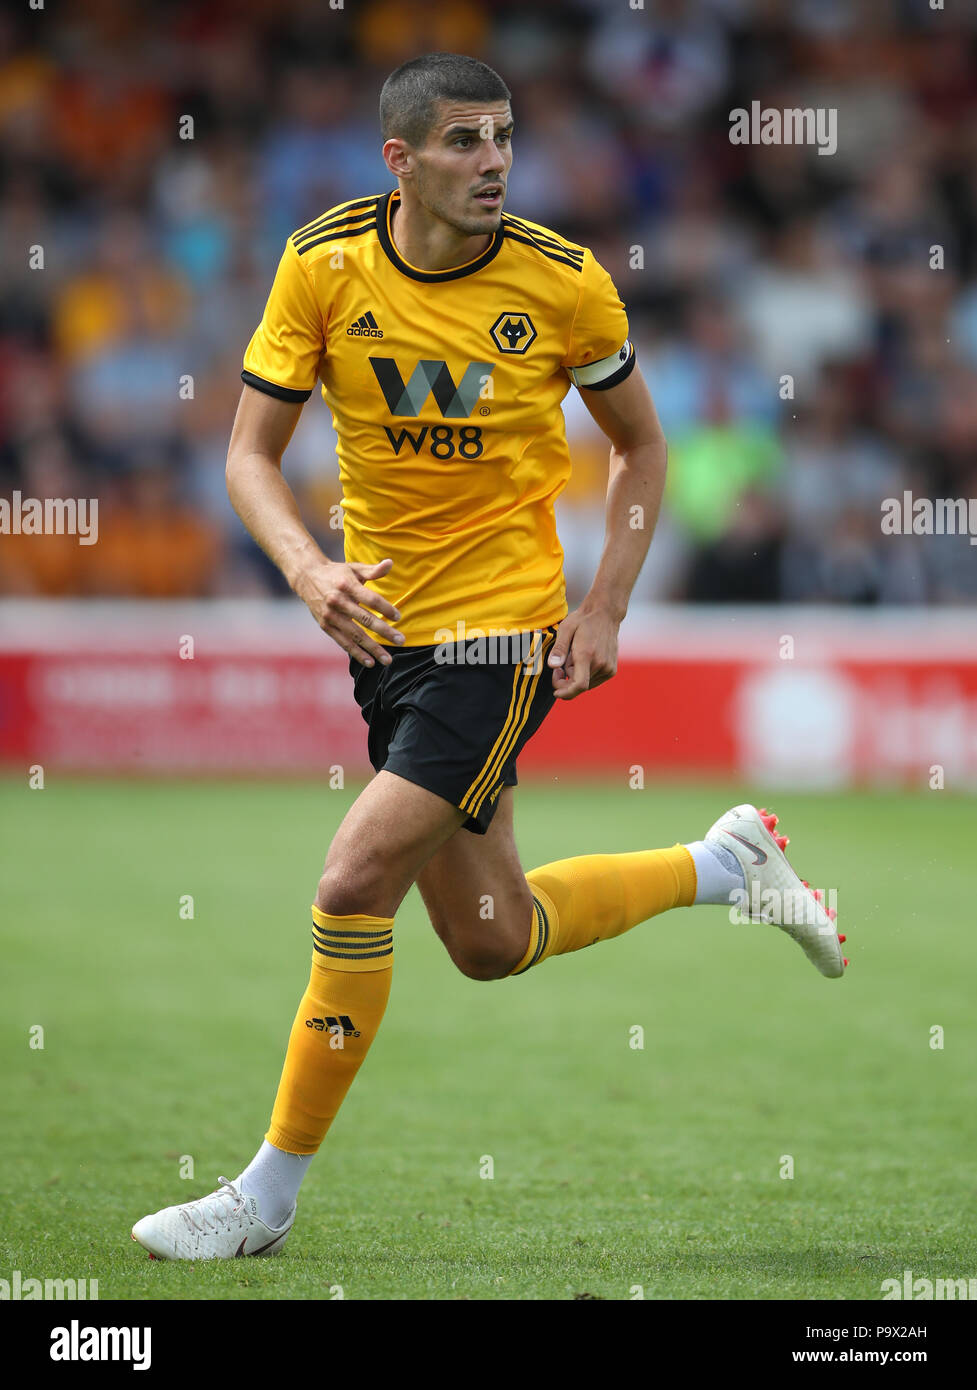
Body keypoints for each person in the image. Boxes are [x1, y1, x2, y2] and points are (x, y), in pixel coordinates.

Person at [131, 53, 845, 1262]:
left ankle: (263, 1195)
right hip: (382, 637)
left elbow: (643, 448)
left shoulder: (564, 284)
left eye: (503, 137)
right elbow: (248, 455)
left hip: (501, 637)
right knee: (489, 939)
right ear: (398, 160)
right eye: (463, 142)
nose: (493, 161)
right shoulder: (323, 262)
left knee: (352, 877)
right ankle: (720, 865)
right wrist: (309, 570)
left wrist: (605, 605)